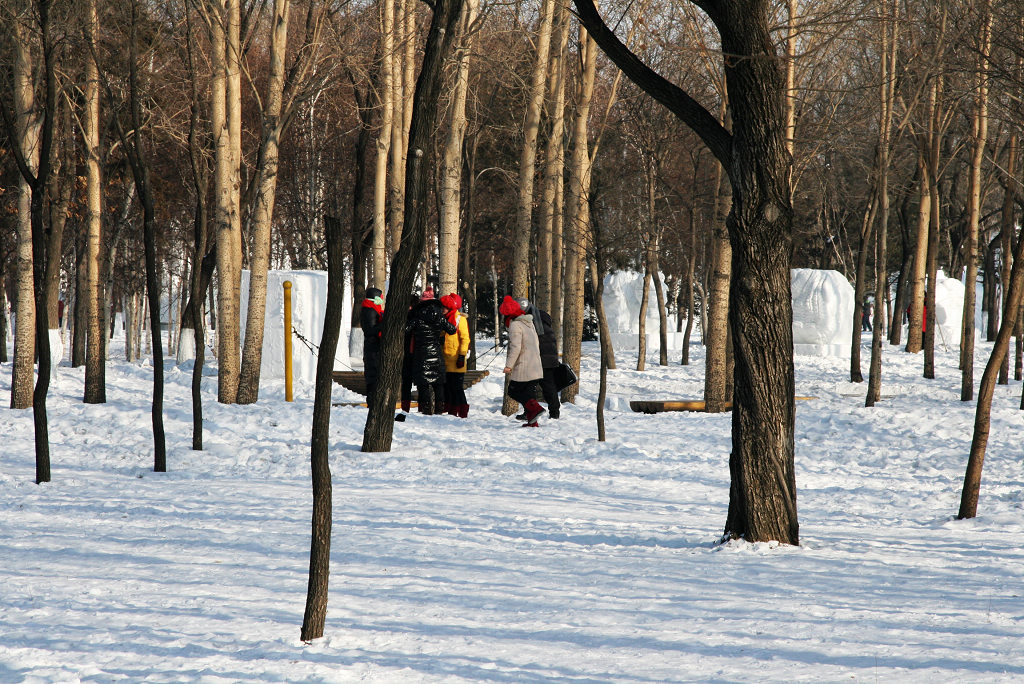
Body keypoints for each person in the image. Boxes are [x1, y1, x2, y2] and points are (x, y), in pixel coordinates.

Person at [406, 287, 456, 415]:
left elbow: (406, 329)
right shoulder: (440, 317)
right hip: (436, 352)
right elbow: (452, 330)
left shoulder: (417, 317)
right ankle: (439, 409)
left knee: (423, 383)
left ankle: (426, 409)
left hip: (421, 353)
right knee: (438, 383)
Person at [499, 295, 545, 426]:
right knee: (528, 393)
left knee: (513, 391)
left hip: (524, 365)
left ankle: (536, 409)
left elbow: (515, 347)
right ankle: (532, 421)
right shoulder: (528, 322)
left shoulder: (515, 325)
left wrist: (509, 366)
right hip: (534, 364)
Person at [517, 299, 560, 419]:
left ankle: (533, 411)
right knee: (548, 386)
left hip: (539, 358)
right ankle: (553, 413)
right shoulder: (541, 317)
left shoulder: (530, 320)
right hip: (548, 357)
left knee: (530, 386)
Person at [440, 292, 471, 418]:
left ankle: (463, 411)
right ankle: (451, 412)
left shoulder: (460, 319)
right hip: (445, 359)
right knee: (448, 387)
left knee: (457, 388)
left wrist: (462, 355)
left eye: (444, 307)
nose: (442, 309)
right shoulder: (444, 319)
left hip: (456, 359)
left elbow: (465, 339)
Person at [359, 287, 384, 404]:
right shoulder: (370, 310)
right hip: (372, 346)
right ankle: (372, 400)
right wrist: (384, 323)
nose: (382, 299)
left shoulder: (372, 309)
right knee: (373, 373)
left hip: (373, 346)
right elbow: (370, 330)